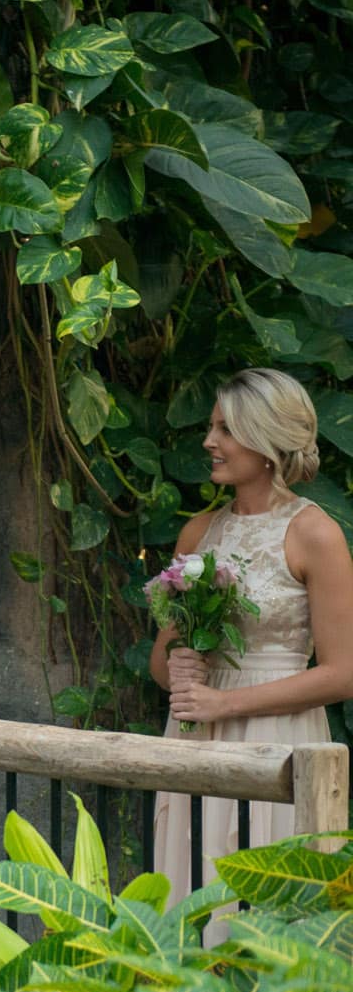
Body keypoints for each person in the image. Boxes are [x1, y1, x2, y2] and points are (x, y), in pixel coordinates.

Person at [151, 368, 353, 927]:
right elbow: (159, 664)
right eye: (212, 426)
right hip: (195, 738)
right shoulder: (198, 533)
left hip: (277, 739)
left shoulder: (315, 533)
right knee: (193, 887)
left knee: (266, 905)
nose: (208, 441)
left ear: (266, 443)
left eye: (225, 429)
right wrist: (181, 668)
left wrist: (226, 704)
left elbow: (343, 674)